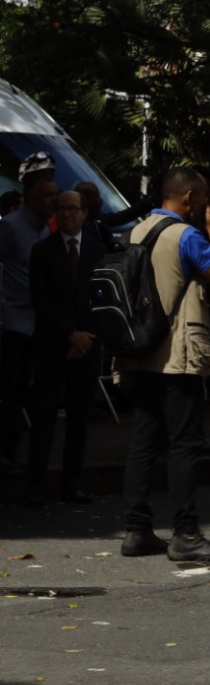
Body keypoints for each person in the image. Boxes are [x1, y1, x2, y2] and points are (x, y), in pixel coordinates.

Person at [118, 167, 210, 563]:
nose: (205, 203)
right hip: (176, 353)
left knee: (143, 441)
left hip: (140, 350)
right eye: (203, 197)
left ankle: (136, 530)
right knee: (184, 443)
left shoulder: (135, 232)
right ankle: (186, 534)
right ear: (189, 197)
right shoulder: (186, 235)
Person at [24, 189, 103, 504]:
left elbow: (103, 297)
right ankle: (35, 484)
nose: (68, 214)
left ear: (85, 212)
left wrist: (86, 336)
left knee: (79, 417)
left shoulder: (97, 249)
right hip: (52, 342)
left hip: (87, 344)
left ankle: (72, 483)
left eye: (73, 208)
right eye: (62, 209)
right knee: (44, 415)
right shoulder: (43, 251)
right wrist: (70, 334)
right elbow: (40, 298)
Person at [0, 153, 59, 469]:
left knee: (37, 392)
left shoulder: (49, 229)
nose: (53, 201)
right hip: (15, 323)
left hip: (42, 322)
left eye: (55, 194)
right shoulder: (10, 227)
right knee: (12, 389)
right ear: (30, 197)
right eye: (47, 196)